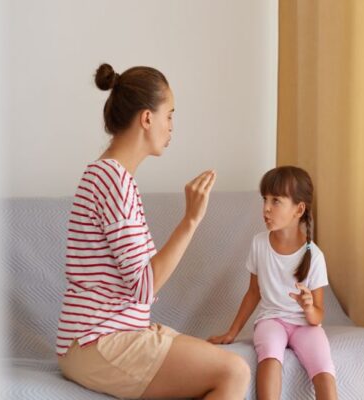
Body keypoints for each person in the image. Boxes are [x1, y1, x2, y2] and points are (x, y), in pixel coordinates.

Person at [56, 63, 250, 399]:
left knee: (216, 368)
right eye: (169, 115)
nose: (171, 126)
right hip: (98, 341)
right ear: (147, 118)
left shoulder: (106, 175)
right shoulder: (115, 182)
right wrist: (190, 220)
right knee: (234, 371)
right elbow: (145, 286)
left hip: (93, 337)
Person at [208, 166, 338, 399]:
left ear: (299, 209)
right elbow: (253, 293)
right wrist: (232, 332)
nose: (266, 208)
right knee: (269, 356)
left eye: (276, 201)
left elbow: (317, 316)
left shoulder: (315, 256)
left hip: (305, 326)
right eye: (265, 200)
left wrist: (309, 308)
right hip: (271, 320)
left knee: (325, 371)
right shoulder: (259, 244)